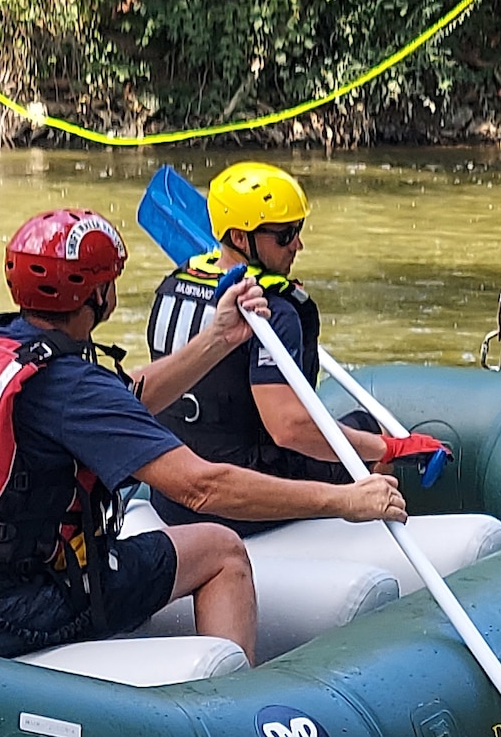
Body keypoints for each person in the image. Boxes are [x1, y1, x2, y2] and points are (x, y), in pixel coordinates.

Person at [0, 207, 406, 663]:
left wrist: (220, 339)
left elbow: (123, 399)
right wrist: (344, 499)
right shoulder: (70, 386)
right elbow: (202, 488)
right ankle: (235, 712)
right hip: (8, 614)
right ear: (99, 294)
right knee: (220, 549)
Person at [146, 162, 442, 536]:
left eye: (298, 231)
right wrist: (385, 447)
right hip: (240, 499)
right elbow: (288, 429)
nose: (298, 244)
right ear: (240, 237)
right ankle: (372, 535)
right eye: (285, 235)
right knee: (370, 429)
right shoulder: (272, 312)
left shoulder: (174, 284)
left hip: (170, 494)